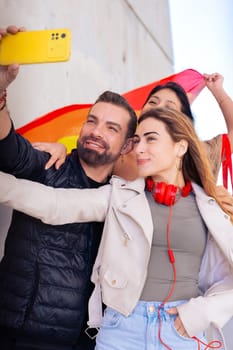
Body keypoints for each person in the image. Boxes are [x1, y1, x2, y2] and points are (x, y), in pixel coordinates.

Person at [0, 108, 233, 350]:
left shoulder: (211, 206)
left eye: (151, 138)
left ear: (180, 148)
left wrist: (200, 314)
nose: (139, 148)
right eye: (137, 139)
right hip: (122, 329)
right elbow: (55, 204)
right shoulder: (120, 195)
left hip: (182, 331)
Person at [0, 26, 137, 350]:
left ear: (128, 144)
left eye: (111, 127)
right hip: (13, 332)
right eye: (92, 120)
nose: (96, 130)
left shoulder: (129, 200)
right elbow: (7, 148)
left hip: (80, 342)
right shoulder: (49, 163)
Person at [38, 74, 233, 183]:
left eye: (169, 106)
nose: (157, 108)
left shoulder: (195, 153)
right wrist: (60, 148)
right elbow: (86, 158)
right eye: (153, 101)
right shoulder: (122, 148)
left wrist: (218, 90)